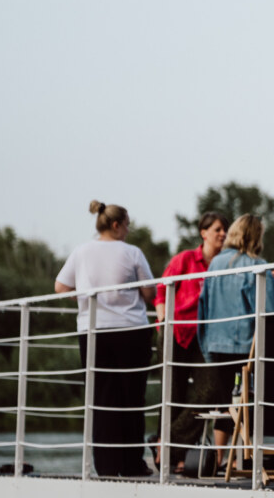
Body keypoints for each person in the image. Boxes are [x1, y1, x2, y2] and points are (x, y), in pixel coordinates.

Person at [54, 201, 157, 477]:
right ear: (116, 225)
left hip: (93, 331)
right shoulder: (132, 252)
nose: (128, 229)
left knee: (101, 399)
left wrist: (87, 297)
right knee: (132, 398)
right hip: (131, 331)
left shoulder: (81, 251)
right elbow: (150, 293)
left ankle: (107, 465)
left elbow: (60, 286)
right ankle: (132, 463)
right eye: (127, 224)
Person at [196, 214, 274, 455]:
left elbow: (204, 308)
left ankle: (220, 459)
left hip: (216, 344)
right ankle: (243, 457)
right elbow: (269, 313)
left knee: (224, 403)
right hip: (246, 347)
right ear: (255, 236)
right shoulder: (257, 266)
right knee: (247, 403)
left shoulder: (215, 264)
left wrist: (206, 347)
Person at [153, 211, 229, 471]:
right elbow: (162, 289)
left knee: (211, 389)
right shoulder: (185, 258)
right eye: (217, 229)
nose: (222, 233)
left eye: (224, 229)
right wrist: (163, 321)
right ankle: (175, 458)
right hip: (176, 332)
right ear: (203, 232)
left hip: (206, 337)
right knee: (172, 393)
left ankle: (166, 442)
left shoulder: (224, 263)